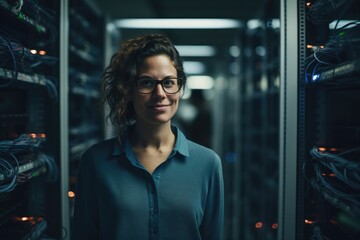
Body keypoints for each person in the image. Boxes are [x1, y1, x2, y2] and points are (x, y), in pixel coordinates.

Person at [72, 33, 224, 240]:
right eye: (146, 83)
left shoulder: (208, 163)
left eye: (169, 82)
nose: (160, 93)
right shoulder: (96, 162)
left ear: (180, 90)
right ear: (128, 91)